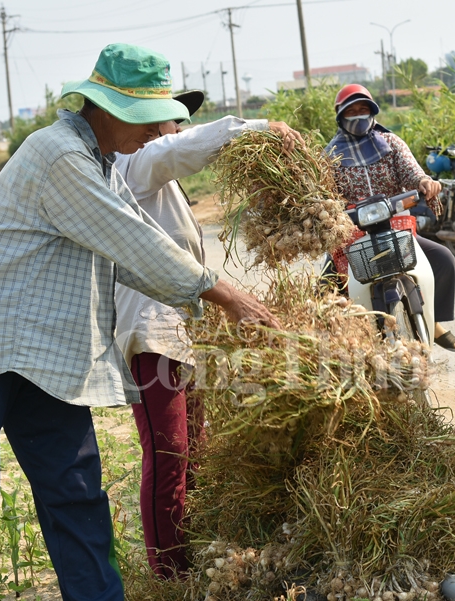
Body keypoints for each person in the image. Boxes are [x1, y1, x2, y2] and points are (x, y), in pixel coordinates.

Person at [0, 43, 278, 601]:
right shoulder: (59, 156)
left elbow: (137, 252)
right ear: (108, 109)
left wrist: (213, 303)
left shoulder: (103, 166)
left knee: (76, 493)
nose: (153, 132)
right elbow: (135, 240)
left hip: (50, 355)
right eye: (146, 118)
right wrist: (226, 296)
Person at [112, 91, 303, 578]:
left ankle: (193, 553)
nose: (178, 126)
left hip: (177, 334)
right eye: (171, 119)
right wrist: (259, 129)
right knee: (169, 454)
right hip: (150, 336)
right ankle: (168, 576)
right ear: (148, 125)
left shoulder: (162, 183)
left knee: (193, 448)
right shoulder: (136, 164)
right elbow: (181, 148)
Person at [326, 84, 455, 352]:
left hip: (395, 230)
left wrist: (425, 182)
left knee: (444, 259)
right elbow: (325, 193)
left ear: (372, 111)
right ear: (340, 116)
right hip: (353, 236)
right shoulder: (330, 156)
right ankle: (343, 345)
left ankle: (434, 321)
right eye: (351, 111)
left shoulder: (391, 143)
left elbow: (412, 172)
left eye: (363, 109)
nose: (358, 115)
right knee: (323, 287)